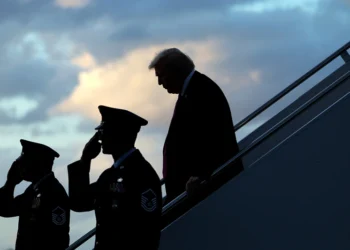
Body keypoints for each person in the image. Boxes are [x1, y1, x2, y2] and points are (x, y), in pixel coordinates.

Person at [148, 48, 244, 203]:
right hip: (192, 189)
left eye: (161, 76)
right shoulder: (192, 90)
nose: (159, 83)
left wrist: (201, 173)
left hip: (205, 190)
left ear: (175, 71)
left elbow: (213, 137)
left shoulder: (202, 91)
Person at [67, 105, 162, 250]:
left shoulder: (141, 173)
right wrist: (85, 160)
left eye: (103, 132)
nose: (100, 138)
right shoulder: (109, 175)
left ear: (119, 133)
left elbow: (147, 230)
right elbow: (79, 202)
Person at [0, 140, 70, 250]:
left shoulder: (54, 192)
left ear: (37, 164)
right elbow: (5, 209)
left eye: (24, 163)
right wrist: (10, 183)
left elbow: (57, 240)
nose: (20, 168)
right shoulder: (33, 190)